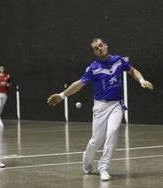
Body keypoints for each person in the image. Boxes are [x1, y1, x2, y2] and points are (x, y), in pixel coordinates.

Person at [47, 38, 153, 181]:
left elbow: (133, 71)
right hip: (100, 107)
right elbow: (79, 84)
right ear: (94, 52)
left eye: (101, 45)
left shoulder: (118, 60)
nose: (100, 48)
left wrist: (142, 80)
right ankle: (86, 160)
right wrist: (61, 95)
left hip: (116, 104)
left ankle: (104, 167)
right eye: (96, 48)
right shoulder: (93, 68)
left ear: (106, 45)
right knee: (96, 140)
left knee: (113, 132)